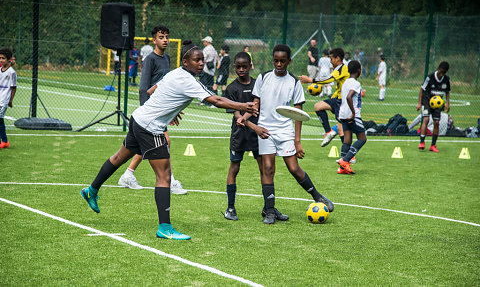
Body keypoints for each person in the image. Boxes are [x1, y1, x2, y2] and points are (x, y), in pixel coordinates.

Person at [80, 40, 258, 240]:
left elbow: (152, 91)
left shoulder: (175, 73)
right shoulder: (187, 81)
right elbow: (216, 100)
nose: (201, 63)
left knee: (119, 158)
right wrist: (243, 107)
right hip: (151, 129)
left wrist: (170, 109)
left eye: (202, 60)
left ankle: (91, 190)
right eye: (196, 60)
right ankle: (164, 227)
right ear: (185, 61)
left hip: (139, 119)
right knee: (164, 176)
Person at [238, 44, 334, 224]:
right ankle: (270, 211)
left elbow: (298, 113)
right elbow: (255, 104)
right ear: (273, 60)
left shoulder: (294, 82)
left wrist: (297, 141)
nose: (279, 64)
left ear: (289, 61)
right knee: (268, 168)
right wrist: (245, 116)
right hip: (266, 130)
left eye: (283, 61)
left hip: (285, 131)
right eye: (276, 61)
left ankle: (318, 196)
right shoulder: (263, 77)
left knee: (294, 168)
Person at [118, 25, 186, 194]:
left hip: (162, 109)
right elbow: (143, 88)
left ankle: (128, 174)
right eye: (161, 37)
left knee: (147, 145)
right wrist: (146, 111)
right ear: (154, 40)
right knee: (165, 141)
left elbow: (166, 87)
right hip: (150, 112)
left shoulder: (167, 58)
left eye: (167, 37)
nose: (165, 40)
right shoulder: (150, 59)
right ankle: (169, 181)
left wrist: (173, 110)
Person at [222, 51, 263, 221]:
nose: (241, 69)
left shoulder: (257, 85)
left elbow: (256, 106)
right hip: (239, 135)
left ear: (250, 66)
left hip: (257, 135)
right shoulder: (231, 88)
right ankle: (230, 208)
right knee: (234, 168)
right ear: (234, 67)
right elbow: (236, 114)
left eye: (244, 66)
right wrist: (243, 118)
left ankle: (269, 207)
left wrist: (245, 118)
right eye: (238, 67)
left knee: (265, 169)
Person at [299, 48, 350, 148]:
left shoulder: (342, 68)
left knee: (341, 129)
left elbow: (329, 79)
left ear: (338, 58)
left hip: (343, 102)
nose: (330, 62)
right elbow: (340, 87)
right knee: (318, 106)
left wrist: (310, 80)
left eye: (331, 59)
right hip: (337, 99)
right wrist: (334, 96)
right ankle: (328, 132)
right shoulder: (338, 68)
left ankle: (349, 156)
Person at [336, 60, 367, 175]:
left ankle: (342, 168)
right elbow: (350, 97)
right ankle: (345, 160)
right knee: (362, 139)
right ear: (359, 70)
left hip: (343, 114)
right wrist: (353, 113)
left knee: (347, 140)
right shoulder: (355, 83)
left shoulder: (346, 82)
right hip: (351, 115)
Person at [416, 61, 450, 152]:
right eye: (440, 72)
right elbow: (421, 90)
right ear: (438, 69)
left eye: (444, 73)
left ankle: (433, 145)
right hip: (427, 101)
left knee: (436, 123)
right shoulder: (430, 77)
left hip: (437, 104)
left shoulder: (446, 79)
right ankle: (422, 142)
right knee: (426, 119)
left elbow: (447, 92)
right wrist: (419, 103)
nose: (441, 74)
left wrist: (447, 103)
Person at [0, 48, 16, 149]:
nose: (1, 60)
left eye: (3, 58)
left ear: (8, 59)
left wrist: (10, 100)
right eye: (0, 58)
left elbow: (13, 87)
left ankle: (4, 141)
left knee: (0, 118)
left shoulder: (11, 72)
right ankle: (4, 141)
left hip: (4, 99)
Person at [199, 36, 217, 101]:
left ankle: (204, 100)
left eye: (204, 41)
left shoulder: (206, 49)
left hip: (205, 69)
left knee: (204, 85)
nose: (204, 42)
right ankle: (210, 100)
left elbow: (203, 58)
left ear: (207, 42)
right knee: (210, 85)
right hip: (211, 70)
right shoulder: (214, 49)